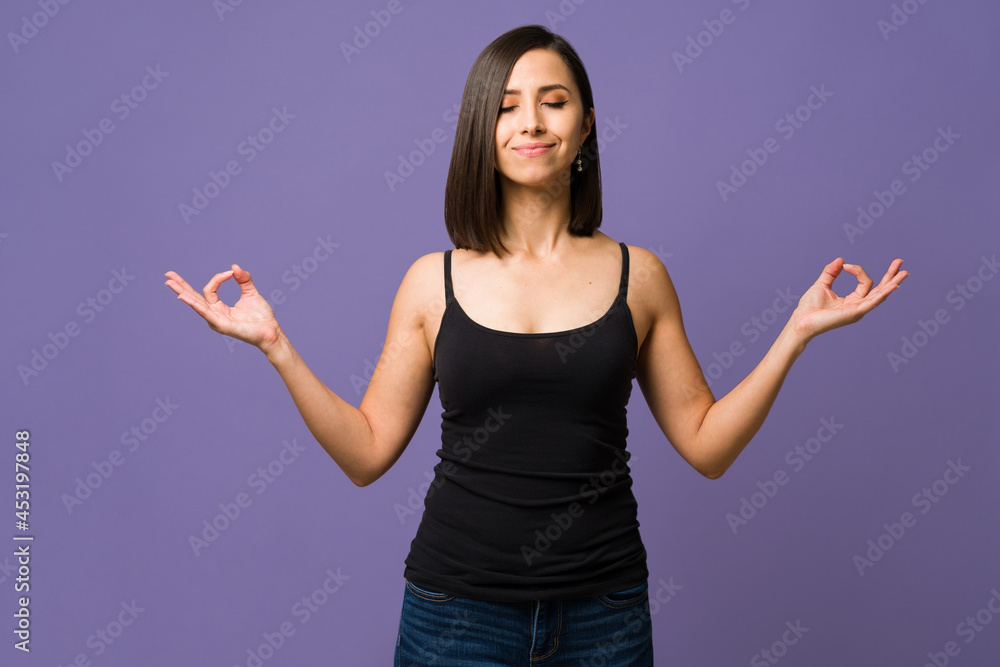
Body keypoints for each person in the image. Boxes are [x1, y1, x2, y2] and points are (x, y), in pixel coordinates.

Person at [164, 23, 908, 667]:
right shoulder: (431, 283)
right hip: (455, 614)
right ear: (481, 131)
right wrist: (277, 346)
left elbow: (707, 446)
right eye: (507, 105)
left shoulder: (640, 276)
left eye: (554, 101)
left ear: (585, 127)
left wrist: (795, 333)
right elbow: (366, 453)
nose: (531, 122)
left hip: (604, 615)